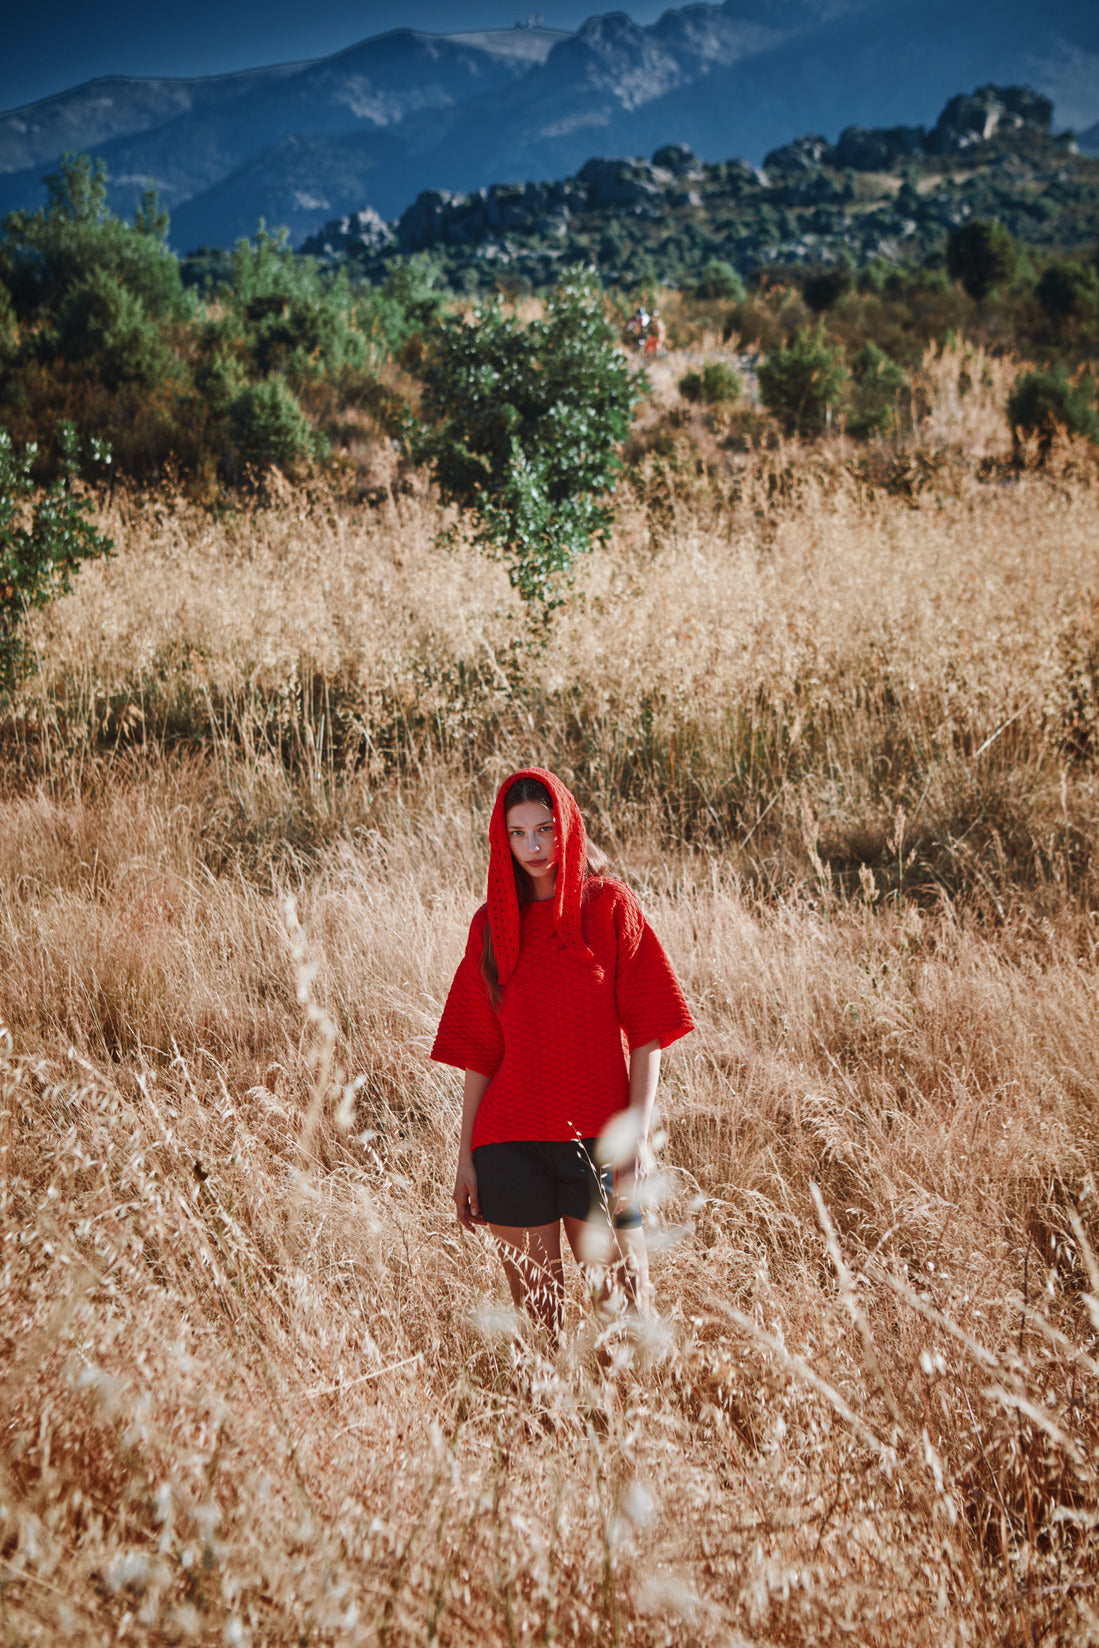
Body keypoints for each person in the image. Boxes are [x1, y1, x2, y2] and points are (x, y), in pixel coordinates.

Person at [431, 767, 694, 1337]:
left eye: (545, 829)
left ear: (567, 826)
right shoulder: (490, 926)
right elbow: (482, 1051)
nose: (533, 846)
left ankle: (622, 1427)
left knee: (627, 1317)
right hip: (509, 1145)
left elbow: (648, 1031)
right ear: (502, 840)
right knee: (539, 1329)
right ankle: (547, 1429)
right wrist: (465, 1159)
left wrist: (637, 1137)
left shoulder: (608, 907)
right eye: (518, 833)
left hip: (600, 1144)